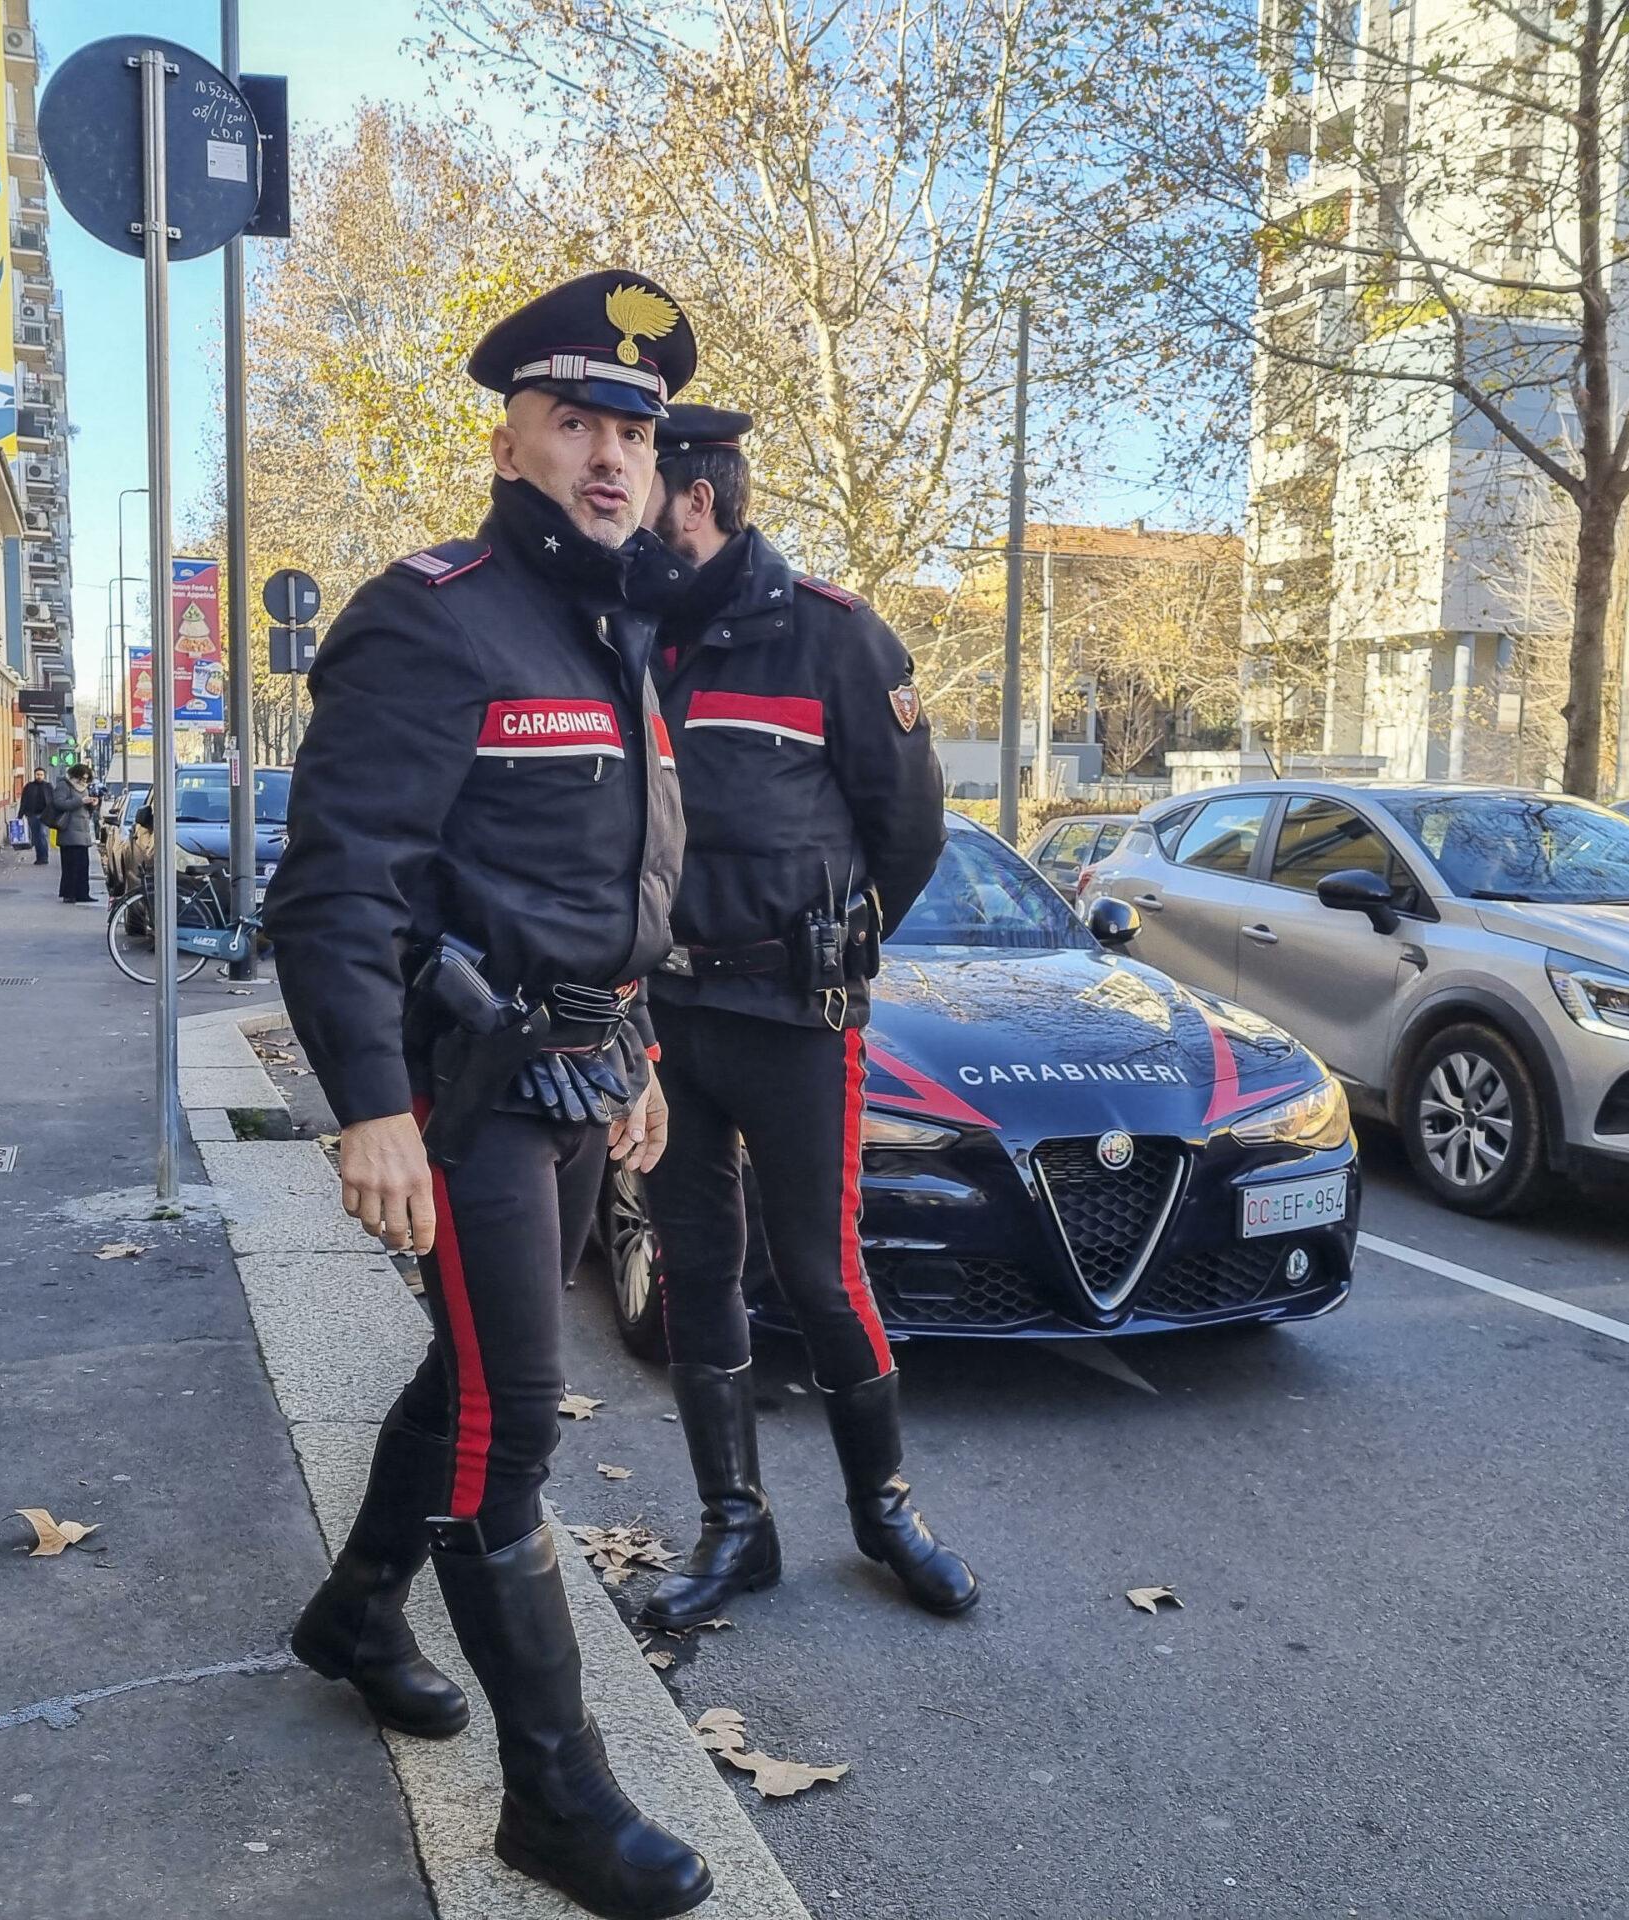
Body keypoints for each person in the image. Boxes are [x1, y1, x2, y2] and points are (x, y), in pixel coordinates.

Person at [263, 271, 712, 1920]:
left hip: (583, 1072)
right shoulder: (432, 614)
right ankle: (556, 1803)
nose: (608, 456)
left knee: (467, 1375)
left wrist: (642, 1050)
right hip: (465, 1087)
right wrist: (368, 1102)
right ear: (513, 432)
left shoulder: (617, 630)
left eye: (633, 432)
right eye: (577, 420)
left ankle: (359, 1614)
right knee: (512, 1425)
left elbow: (617, 878)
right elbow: (337, 884)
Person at [628, 404, 972, 1628]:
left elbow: (911, 831)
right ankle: (736, 1529)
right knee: (693, 1271)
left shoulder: (831, 638)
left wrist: (837, 936)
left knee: (823, 1275)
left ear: (697, 498)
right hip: (665, 1014)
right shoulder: (630, 632)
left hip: (791, 1012)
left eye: (640, 478)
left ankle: (884, 1515)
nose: (616, 495)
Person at [46, 765, 94, 904]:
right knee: (70, 865)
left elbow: (85, 808)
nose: (84, 780)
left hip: (83, 831)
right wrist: (81, 801)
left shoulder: (84, 788)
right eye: (82, 777)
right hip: (69, 831)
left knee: (83, 865)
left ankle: (83, 893)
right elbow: (59, 803)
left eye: (86, 778)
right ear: (76, 775)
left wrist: (92, 804)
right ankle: (69, 894)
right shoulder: (64, 785)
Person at [18, 766, 52, 864]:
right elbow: (23, 801)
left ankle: (45, 857)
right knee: (36, 837)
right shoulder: (29, 786)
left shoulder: (48, 786)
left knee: (43, 834)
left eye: (41, 775)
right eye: (37, 775)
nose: (39, 776)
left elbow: (53, 801)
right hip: (32, 815)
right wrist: (20, 815)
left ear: (44, 776)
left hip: (45, 815)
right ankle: (39, 857)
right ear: (34, 775)